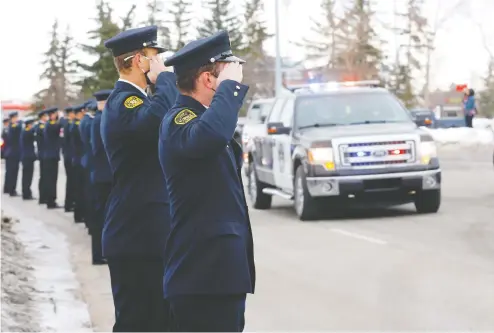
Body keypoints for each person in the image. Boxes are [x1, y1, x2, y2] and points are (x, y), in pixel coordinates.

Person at [159, 30, 255, 332]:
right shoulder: (179, 119)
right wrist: (229, 88)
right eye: (225, 76)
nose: (235, 85)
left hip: (217, 275)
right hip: (201, 277)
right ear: (208, 79)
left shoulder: (203, 119)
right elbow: (211, 135)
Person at [101, 25, 178, 332]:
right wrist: (167, 80)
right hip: (135, 236)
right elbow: (155, 122)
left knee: (156, 320)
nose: (157, 64)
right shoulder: (124, 102)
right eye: (152, 58)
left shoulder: (138, 101)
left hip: (144, 234)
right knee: (138, 322)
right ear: (136, 62)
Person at [90, 89, 113, 265]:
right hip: (104, 175)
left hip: (101, 174)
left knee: (102, 216)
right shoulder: (101, 120)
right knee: (101, 218)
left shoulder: (98, 119)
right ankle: (99, 254)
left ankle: (101, 252)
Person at [80, 100, 97, 235]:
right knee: (92, 196)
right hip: (92, 161)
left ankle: (89, 222)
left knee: (90, 194)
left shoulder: (86, 121)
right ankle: (91, 223)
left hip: (88, 161)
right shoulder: (91, 122)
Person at [43, 107, 62, 208]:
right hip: (51, 156)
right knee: (51, 179)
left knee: (51, 179)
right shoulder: (50, 125)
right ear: (52, 115)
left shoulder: (50, 124)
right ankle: (51, 201)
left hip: (51, 156)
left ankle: (50, 199)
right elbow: (57, 127)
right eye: (56, 114)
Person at [70, 105, 86, 224]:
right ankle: (79, 214)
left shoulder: (74, 124)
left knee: (79, 188)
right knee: (80, 189)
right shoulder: (76, 125)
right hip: (79, 159)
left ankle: (79, 214)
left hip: (76, 159)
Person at [3, 111, 22, 196]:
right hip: (13, 153)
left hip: (9, 153)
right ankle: (12, 190)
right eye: (16, 118)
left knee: (10, 172)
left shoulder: (9, 127)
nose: (17, 119)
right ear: (13, 118)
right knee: (13, 172)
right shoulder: (13, 127)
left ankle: (8, 188)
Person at [62, 106, 76, 212]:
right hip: (69, 156)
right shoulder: (68, 125)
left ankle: (70, 202)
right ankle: (69, 204)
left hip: (68, 155)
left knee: (71, 181)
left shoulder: (67, 124)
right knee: (71, 181)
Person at [34, 110, 49, 204]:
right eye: (45, 116)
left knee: (44, 176)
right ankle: (43, 197)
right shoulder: (41, 126)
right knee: (44, 176)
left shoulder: (40, 126)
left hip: (43, 153)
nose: (46, 117)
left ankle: (43, 197)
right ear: (42, 117)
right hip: (43, 154)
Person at [20, 117, 37, 200]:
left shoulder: (25, 131)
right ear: (28, 124)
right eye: (31, 124)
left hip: (26, 157)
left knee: (27, 176)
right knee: (27, 176)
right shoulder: (27, 132)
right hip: (28, 157)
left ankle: (26, 192)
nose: (32, 126)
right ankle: (26, 193)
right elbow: (33, 133)